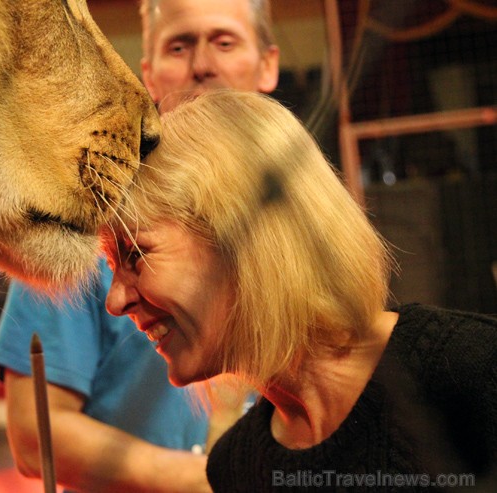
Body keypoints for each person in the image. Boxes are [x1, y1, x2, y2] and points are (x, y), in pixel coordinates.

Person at [103, 90, 497, 492]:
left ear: (246, 237)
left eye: (135, 254)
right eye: (111, 267)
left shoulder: (477, 374)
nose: (115, 301)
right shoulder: (236, 468)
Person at [0, 1, 280, 492]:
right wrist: (204, 480)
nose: (203, 64)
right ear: (146, 72)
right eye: (178, 45)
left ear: (267, 63)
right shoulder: (87, 205)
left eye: (225, 42)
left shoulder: (298, 210)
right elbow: (34, 432)